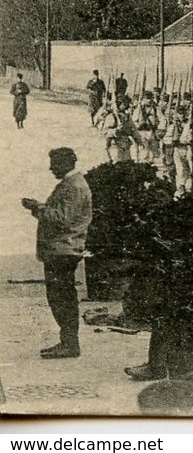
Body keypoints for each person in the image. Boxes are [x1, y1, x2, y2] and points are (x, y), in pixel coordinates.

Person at [21, 147, 93, 358]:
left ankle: (70, 344)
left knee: (62, 298)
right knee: (60, 297)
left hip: (63, 249)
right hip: (61, 249)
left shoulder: (74, 186)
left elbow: (63, 219)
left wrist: (37, 208)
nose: (51, 168)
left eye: (55, 163)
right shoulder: (72, 184)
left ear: (66, 163)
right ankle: (67, 341)